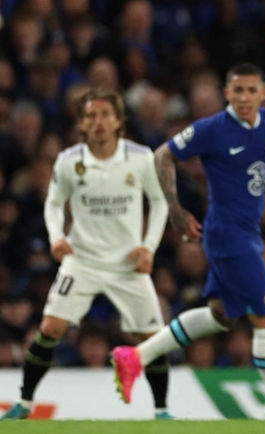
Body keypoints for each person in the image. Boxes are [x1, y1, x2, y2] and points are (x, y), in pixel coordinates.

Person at [111, 63, 265, 420]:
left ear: (263, 94)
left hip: (248, 232)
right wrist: (175, 210)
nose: (244, 97)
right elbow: (162, 155)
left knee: (221, 316)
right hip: (227, 233)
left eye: (251, 90)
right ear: (226, 93)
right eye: (238, 90)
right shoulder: (211, 129)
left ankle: (135, 357)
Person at [1, 88, 171, 420]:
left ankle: (162, 411)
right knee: (50, 328)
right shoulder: (69, 161)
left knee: (151, 338)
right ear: (81, 123)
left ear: (118, 121)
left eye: (105, 114)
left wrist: (148, 246)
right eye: (91, 115)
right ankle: (24, 403)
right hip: (82, 261)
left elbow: (159, 201)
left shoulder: (140, 158)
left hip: (128, 264)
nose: (98, 121)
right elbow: (53, 203)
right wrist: (57, 237)